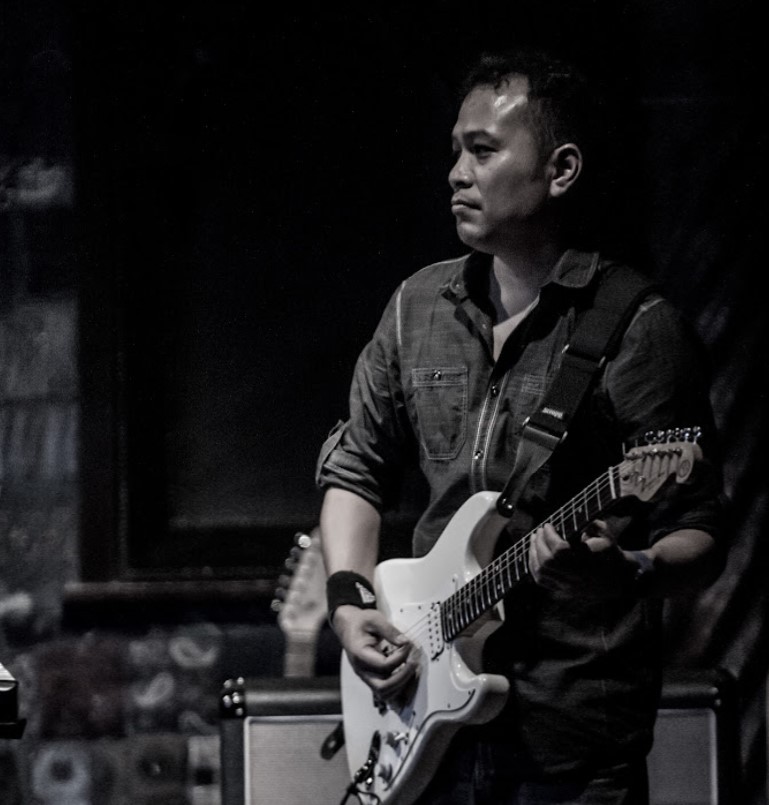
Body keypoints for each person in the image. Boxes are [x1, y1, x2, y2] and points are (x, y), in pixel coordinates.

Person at [315, 48, 725, 805]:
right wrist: (348, 601)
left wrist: (631, 570)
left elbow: (699, 532)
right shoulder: (415, 309)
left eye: (482, 150)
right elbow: (356, 468)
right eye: (454, 152)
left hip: (568, 745)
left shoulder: (638, 327)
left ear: (560, 170)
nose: (456, 174)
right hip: (426, 715)